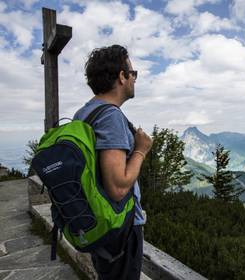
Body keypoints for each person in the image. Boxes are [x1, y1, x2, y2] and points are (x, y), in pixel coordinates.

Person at [73, 45, 153, 279]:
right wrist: (141, 150)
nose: (134, 79)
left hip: (99, 222)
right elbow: (118, 187)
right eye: (133, 73)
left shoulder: (84, 113)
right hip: (121, 228)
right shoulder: (110, 116)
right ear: (121, 76)